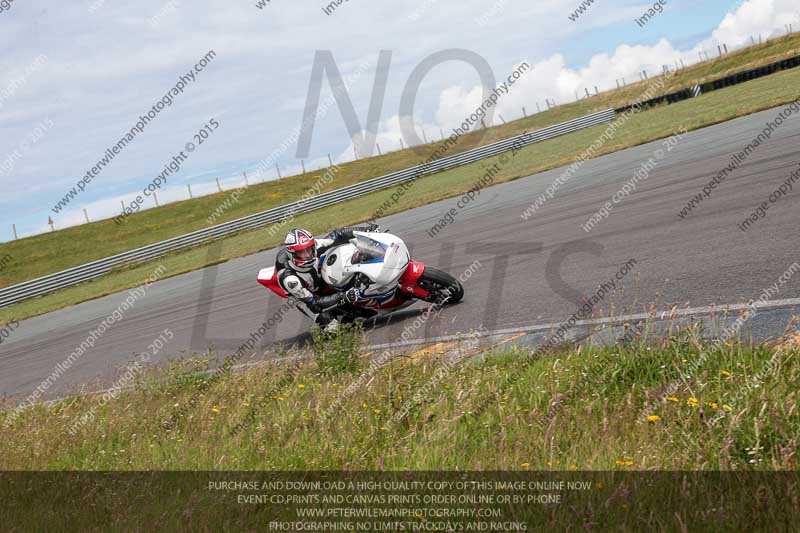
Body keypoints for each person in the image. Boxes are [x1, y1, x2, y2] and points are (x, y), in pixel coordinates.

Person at [277, 226, 378, 326]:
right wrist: (343, 296)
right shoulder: (291, 280)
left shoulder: (316, 245)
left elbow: (338, 234)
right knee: (332, 329)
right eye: (301, 252)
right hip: (304, 297)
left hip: (318, 279)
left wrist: (365, 231)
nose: (307, 255)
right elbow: (315, 303)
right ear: (292, 254)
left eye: (309, 249)